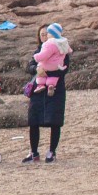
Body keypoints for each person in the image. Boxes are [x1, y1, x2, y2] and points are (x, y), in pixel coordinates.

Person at [22, 23, 71, 163]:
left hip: (56, 89)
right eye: (42, 34)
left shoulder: (62, 48)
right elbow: (30, 65)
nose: (44, 37)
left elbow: (64, 69)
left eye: (46, 34)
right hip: (38, 89)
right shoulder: (39, 50)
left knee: (55, 121)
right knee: (33, 121)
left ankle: (51, 152)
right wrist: (36, 70)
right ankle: (33, 153)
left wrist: (48, 71)